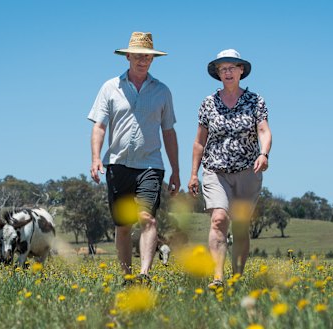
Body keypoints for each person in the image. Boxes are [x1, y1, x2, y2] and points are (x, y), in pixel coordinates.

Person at [88, 32, 180, 282]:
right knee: (123, 225)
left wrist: (176, 170)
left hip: (150, 165)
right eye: (138, 56)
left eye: (148, 57)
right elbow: (99, 126)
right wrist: (96, 158)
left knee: (147, 218)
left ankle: (144, 274)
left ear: (153, 59)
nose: (143, 60)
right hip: (118, 165)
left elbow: (169, 131)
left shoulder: (162, 91)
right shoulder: (110, 88)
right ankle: (127, 276)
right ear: (127, 56)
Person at [187, 49, 272, 288]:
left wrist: (264, 154)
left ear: (241, 70)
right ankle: (217, 278)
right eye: (222, 68)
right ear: (217, 73)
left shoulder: (256, 101)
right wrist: (193, 174)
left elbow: (264, 131)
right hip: (216, 170)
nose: (227, 72)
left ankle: (237, 277)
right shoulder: (208, 103)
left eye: (232, 67)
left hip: (248, 170)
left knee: (241, 226)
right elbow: (199, 141)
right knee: (218, 219)